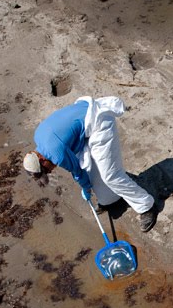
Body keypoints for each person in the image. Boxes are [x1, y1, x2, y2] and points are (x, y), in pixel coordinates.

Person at [23, 95, 159, 233]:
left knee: (111, 175)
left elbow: (78, 172)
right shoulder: (38, 137)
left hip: (98, 122)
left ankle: (146, 206)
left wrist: (86, 189)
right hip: (85, 119)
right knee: (93, 170)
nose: (50, 171)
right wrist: (87, 183)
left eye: (46, 170)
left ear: (41, 160)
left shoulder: (56, 154)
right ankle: (111, 200)